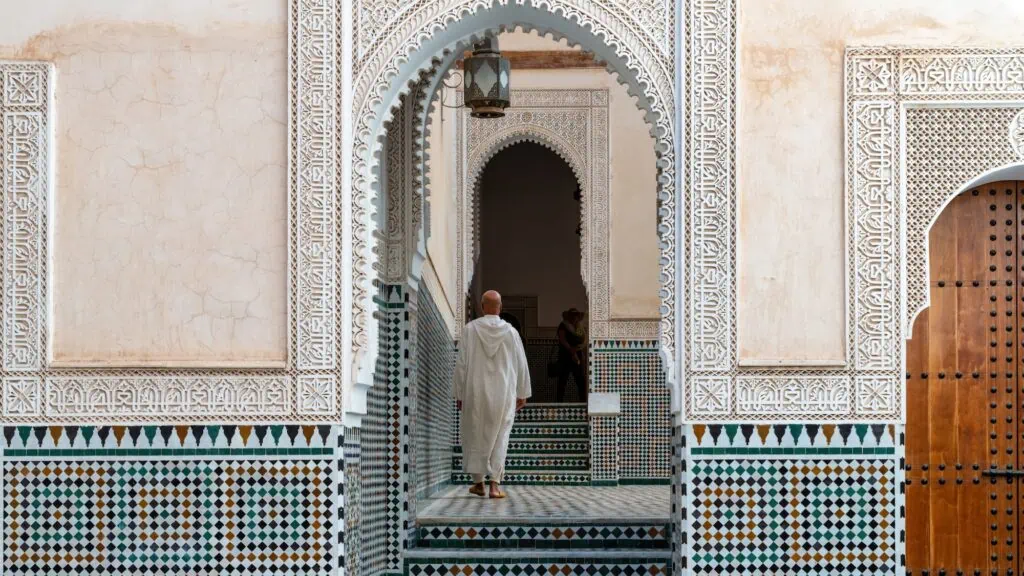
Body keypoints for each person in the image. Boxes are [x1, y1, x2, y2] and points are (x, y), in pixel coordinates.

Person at [454, 290, 532, 499]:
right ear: (500, 307)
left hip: (475, 393)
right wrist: (523, 392)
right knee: (500, 436)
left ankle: (478, 482)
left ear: (481, 306)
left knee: (475, 434)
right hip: (504, 393)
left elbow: (461, 365)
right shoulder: (511, 332)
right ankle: (494, 486)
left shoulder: (470, 330)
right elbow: (521, 363)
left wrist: (459, 394)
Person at [556, 308, 586, 403]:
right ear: (568, 316)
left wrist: (578, 350)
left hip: (578, 354)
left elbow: (584, 340)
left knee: (580, 378)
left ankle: (583, 400)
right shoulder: (563, 325)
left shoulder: (579, 327)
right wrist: (571, 350)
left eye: (576, 315)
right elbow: (562, 339)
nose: (574, 317)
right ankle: (559, 402)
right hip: (566, 355)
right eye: (572, 315)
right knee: (563, 378)